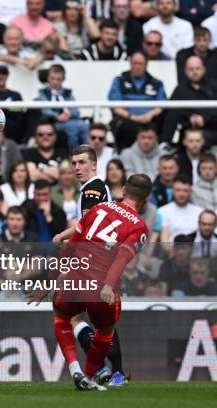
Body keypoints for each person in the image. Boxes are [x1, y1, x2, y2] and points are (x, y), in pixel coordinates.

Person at [28, 174, 151, 391]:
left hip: (74, 279)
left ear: (123, 190)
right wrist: (108, 285)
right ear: (147, 199)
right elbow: (122, 257)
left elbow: (70, 247)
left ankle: (75, 370)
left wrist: (49, 282)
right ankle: (88, 374)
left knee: (61, 317)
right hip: (101, 286)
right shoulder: (139, 227)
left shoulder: (97, 209)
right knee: (106, 331)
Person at [163, 60, 217, 147]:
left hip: (212, 129)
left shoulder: (214, 87)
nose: (195, 72)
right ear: (185, 71)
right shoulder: (180, 89)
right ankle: (164, 144)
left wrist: (204, 118)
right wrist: (190, 116)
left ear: (204, 69)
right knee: (170, 111)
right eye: (191, 69)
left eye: (197, 69)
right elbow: (173, 111)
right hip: (187, 129)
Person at [37, 64, 89, 150]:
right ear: (48, 78)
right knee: (72, 127)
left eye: (59, 79)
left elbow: (76, 111)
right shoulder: (43, 92)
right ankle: (75, 154)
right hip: (53, 122)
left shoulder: (68, 93)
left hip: (70, 119)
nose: (55, 82)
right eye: (52, 79)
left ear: (63, 79)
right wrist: (57, 116)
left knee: (85, 125)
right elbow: (45, 110)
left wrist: (68, 114)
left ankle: (87, 152)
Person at [23, 117, 69, 185]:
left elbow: (67, 177)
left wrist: (40, 171)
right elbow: (31, 176)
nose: (45, 137)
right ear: (35, 137)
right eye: (41, 134)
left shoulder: (64, 153)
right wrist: (55, 172)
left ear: (55, 136)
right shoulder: (28, 154)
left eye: (49, 134)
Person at [158, 175, 204, 242]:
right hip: (172, 250)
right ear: (172, 191)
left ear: (191, 191)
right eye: (178, 190)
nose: (181, 194)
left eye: (185, 190)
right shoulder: (162, 211)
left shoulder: (200, 212)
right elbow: (164, 240)